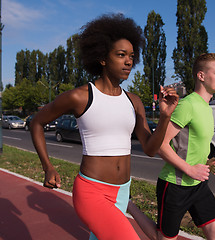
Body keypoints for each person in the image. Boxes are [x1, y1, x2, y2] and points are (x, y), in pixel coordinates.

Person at [30, 13, 179, 240]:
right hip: (92, 192)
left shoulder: (134, 100)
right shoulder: (80, 96)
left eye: (131, 56)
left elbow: (149, 149)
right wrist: (47, 166)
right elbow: (37, 122)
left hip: (123, 191)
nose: (128, 61)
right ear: (102, 58)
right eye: (121, 55)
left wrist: (165, 117)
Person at [156, 53, 215, 240]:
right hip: (175, 185)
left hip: (199, 185)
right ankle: (130, 205)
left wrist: (206, 162)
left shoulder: (206, 107)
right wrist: (190, 169)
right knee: (162, 238)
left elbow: (190, 146)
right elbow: (160, 145)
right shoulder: (187, 105)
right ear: (201, 76)